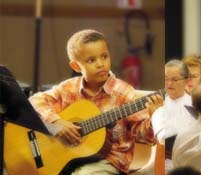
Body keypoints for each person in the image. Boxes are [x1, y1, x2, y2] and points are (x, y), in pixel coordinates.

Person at [28, 29, 163, 175]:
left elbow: (145, 138)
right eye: (91, 60)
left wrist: (154, 118)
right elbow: (35, 100)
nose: (100, 64)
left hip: (108, 162)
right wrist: (56, 121)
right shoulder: (68, 87)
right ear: (76, 66)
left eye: (104, 57)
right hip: (70, 159)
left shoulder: (124, 93)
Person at [151, 59, 196, 173]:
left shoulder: (194, 105)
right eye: (166, 79)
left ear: (186, 81)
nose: (169, 84)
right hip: (161, 160)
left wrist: (157, 114)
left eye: (174, 79)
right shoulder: (158, 102)